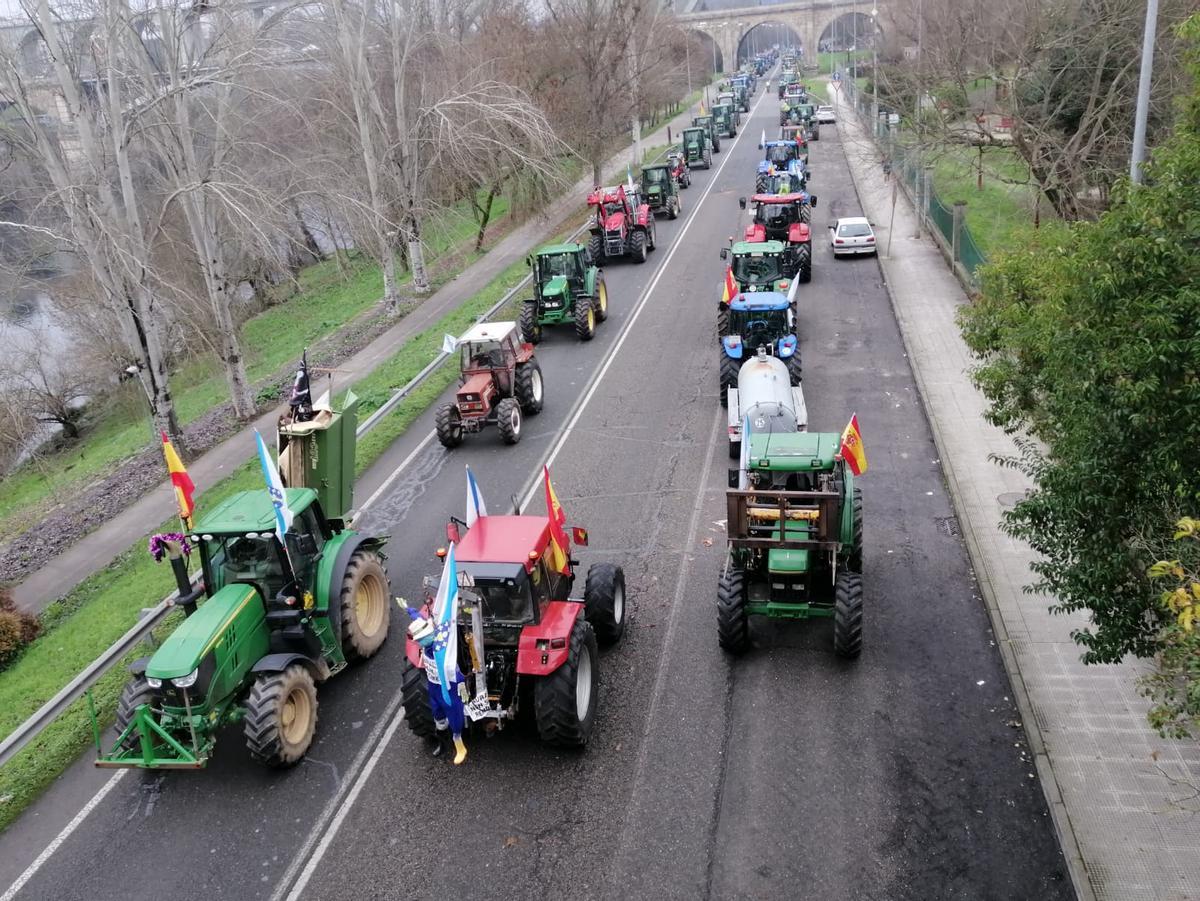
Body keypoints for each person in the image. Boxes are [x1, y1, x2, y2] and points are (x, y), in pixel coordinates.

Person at [407, 607, 468, 765]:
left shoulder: (443, 653)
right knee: (438, 718)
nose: (419, 642)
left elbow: (459, 676)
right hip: (434, 689)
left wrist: (463, 693)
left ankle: (460, 746)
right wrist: (409, 609)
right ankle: (442, 743)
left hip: (448, 692)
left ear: (430, 635)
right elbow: (418, 619)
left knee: (455, 721)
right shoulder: (426, 647)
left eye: (421, 638)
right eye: (418, 639)